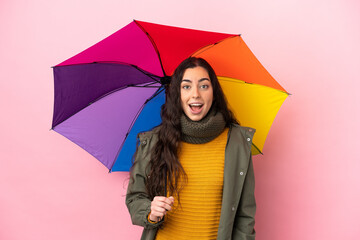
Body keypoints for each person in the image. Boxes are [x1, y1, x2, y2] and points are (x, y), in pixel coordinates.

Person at [126, 57, 256, 240]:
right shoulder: (155, 141)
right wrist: (150, 211)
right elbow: (135, 198)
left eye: (204, 86)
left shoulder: (237, 143)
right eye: (186, 86)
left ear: (214, 92)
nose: (196, 94)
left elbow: (245, 217)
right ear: (177, 94)